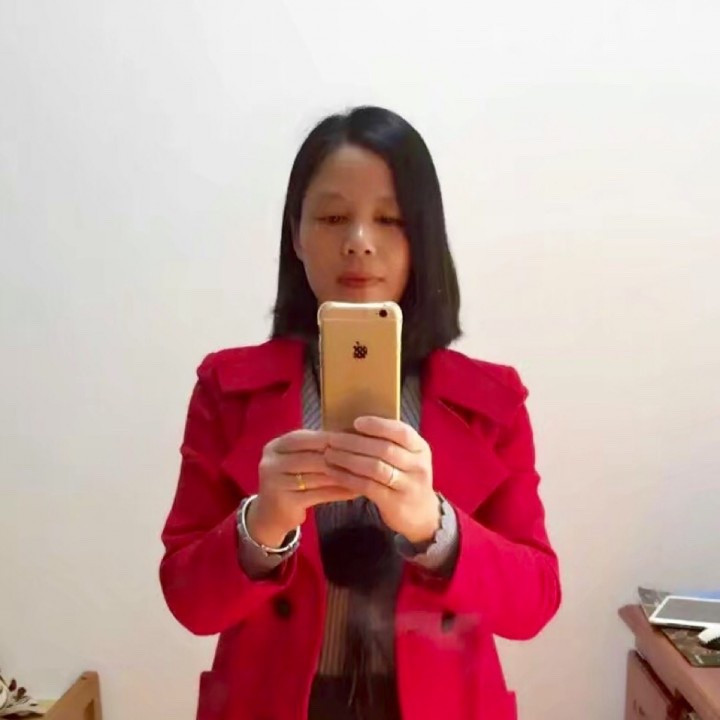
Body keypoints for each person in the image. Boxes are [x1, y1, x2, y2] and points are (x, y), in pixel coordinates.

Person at [159, 106, 561, 720]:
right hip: (273, 703)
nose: (359, 241)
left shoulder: (491, 401)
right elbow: (189, 602)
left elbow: (534, 603)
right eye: (331, 217)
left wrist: (435, 527)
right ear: (297, 235)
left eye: (390, 219)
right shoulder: (227, 388)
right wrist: (263, 524)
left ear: (423, 238)